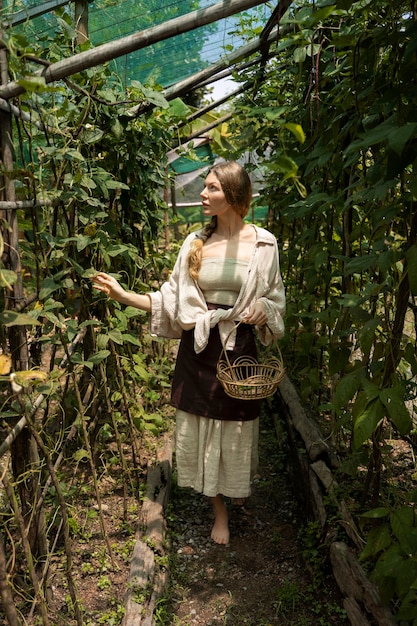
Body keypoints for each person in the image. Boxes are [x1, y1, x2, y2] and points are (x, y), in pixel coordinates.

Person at [92, 160, 285, 545]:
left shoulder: (264, 243)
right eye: (206, 187)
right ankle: (219, 511)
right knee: (201, 423)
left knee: (235, 424)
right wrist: (122, 295)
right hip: (199, 348)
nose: (202, 193)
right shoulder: (195, 242)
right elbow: (171, 298)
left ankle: (231, 489)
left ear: (233, 195)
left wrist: (266, 309)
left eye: (212, 188)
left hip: (240, 347)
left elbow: (276, 296)